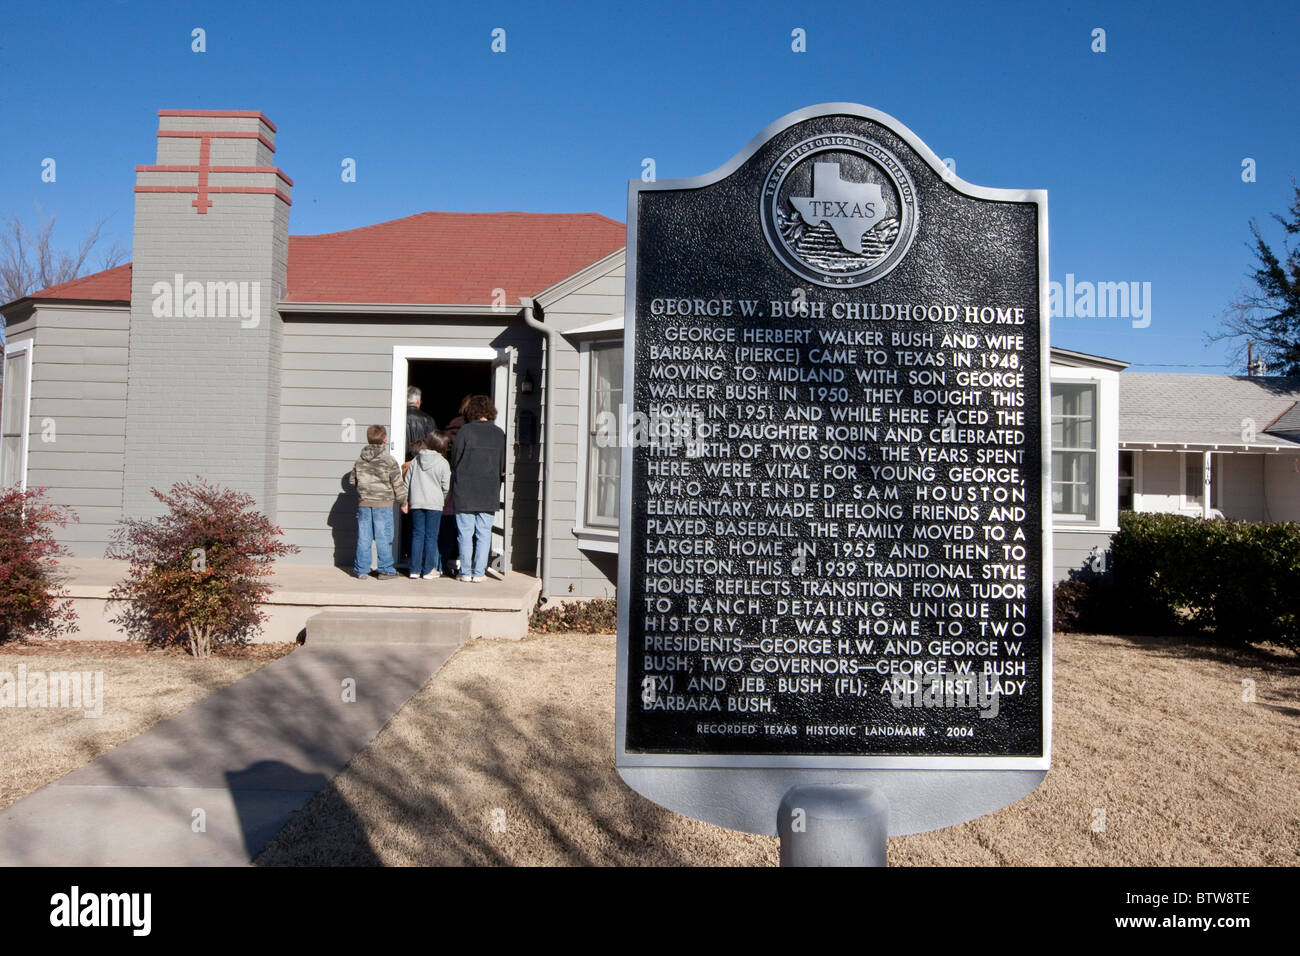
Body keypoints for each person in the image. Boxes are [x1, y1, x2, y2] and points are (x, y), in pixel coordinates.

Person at [450, 394, 505, 583]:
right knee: (484, 533)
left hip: (465, 488)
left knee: (465, 533)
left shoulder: (465, 431)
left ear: (471, 411)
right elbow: (502, 463)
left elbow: (455, 459)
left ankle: (465, 572)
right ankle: (479, 572)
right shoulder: (498, 433)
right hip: (489, 489)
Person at [350, 424, 406, 579]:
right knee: (384, 537)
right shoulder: (388, 460)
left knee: (364, 537)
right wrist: (403, 502)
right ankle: (386, 569)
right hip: (383, 504)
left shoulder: (359, 460)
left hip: (364, 503)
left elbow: (352, 481)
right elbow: (397, 484)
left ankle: (361, 569)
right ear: (384, 439)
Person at [402, 433, 451, 579]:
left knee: (417, 535)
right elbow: (446, 487)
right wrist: (442, 500)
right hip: (434, 504)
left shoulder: (416, 460)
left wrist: (405, 501)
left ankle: (414, 570)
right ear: (442, 446)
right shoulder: (443, 462)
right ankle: (429, 570)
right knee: (431, 537)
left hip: (416, 502)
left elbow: (407, 482)